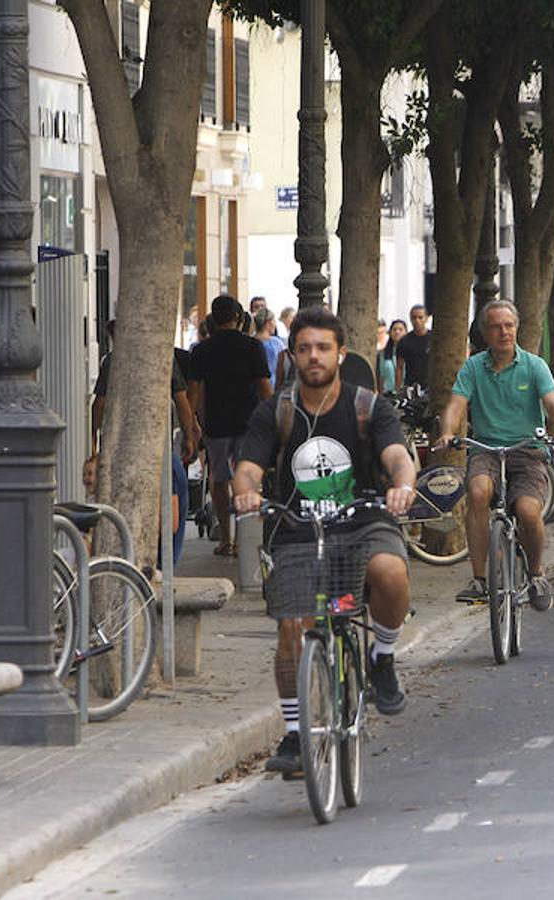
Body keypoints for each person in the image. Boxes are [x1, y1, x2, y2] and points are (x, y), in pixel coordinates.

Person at [232, 306, 417, 777]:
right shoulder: (276, 411)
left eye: (323, 348)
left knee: (391, 571)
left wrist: (401, 484)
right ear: (292, 355)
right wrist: (246, 492)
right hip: (296, 527)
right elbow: (249, 467)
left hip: (363, 520)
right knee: (293, 627)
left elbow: (397, 455)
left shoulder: (367, 406)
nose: (313, 356)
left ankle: (383, 657)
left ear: (341, 353)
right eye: (304, 348)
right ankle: (295, 733)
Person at [434, 299, 554, 609]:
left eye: (509, 325)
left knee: (527, 511)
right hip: (486, 449)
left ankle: (537, 573)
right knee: (478, 491)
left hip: (528, 450)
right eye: (496, 326)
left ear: (517, 328)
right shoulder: (473, 367)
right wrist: (447, 432)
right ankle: (479, 578)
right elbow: (456, 405)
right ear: (485, 332)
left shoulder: (534, 365)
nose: (503, 332)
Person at [84, 321, 199, 564]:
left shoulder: (112, 361)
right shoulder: (161, 358)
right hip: (158, 444)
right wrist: (190, 435)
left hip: (123, 445)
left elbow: (100, 404)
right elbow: (181, 400)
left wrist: (94, 438)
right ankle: (168, 561)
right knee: (174, 495)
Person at [188, 295, 273, 557]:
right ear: (238, 317)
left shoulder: (202, 350)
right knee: (247, 477)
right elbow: (264, 388)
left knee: (219, 479)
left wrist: (192, 423)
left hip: (216, 422)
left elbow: (194, 392)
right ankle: (248, 539)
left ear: (213, 318)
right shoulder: (252, 347)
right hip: (248, 422)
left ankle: (226, 538)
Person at [396, 304, 432, 390]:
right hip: (410, 385)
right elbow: (399, 367)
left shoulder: (433, 339)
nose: (417, 321)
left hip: (430, 386)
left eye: (420, 317)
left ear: (426, 318)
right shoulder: (404, 341)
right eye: (414, 318)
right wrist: (398, 388)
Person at [254, 308, 287, 390]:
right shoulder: (277, 343)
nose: (275, 324)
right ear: (268, 323)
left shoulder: (250, 342)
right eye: (274, 321)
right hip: (273, 385)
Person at [378, 319, 407, 394]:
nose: (397, 332)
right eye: (394, 329)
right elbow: (381, 376)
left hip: (405, 393)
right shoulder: (382, 353)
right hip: (387, 393)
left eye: (401, 329)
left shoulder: (410, 352)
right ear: (390, 333)